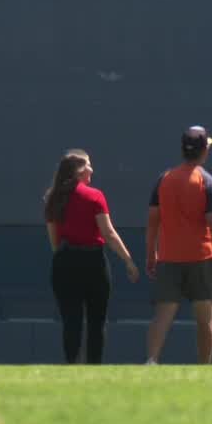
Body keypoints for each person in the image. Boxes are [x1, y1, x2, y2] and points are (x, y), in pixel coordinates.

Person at [145, 126, 212, 365]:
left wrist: (151, 255)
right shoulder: (209, 183)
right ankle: (204, 367)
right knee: (205, 319)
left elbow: (153, 221)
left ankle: (151, 361)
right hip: (201, 258)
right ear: (204, 151)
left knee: (162, 315)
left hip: (169, 257)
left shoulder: (163, 180)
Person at [43, 149, 139, 364]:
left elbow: (54, 240)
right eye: (87, 165)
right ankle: (94, 367)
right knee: (97, 321)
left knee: (71, 320)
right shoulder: (95, 196)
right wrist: (128, 260)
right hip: (93, 262)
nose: (91, 169)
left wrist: (64, 258)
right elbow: (108, 233)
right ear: (78, 171)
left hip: (65, 261)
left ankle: (71, 365)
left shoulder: (53, 198)